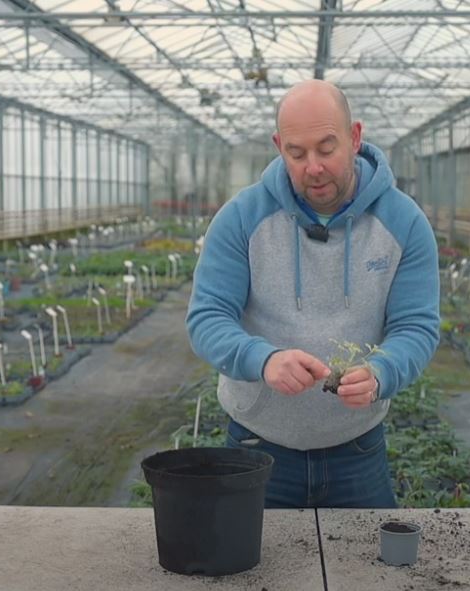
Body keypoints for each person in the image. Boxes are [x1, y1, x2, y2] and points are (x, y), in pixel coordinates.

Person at [186, 80, 440, 508]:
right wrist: (261, 359)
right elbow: (207, 318)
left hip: (357, 449)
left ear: (355, 137)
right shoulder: (241, 218)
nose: (314, 167)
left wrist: (382, 371)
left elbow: (416, 326)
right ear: (278, 146)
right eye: (297, 153)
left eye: (327, 148)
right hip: (255, 446)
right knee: (250, 567)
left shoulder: (404, 222)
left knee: (367, 571)